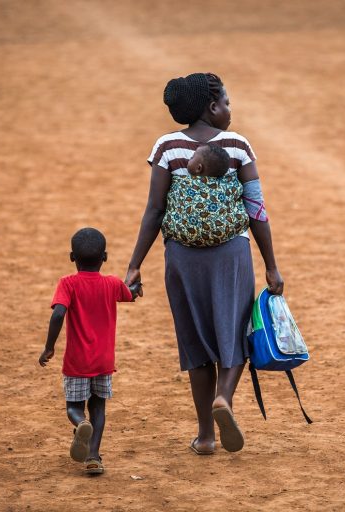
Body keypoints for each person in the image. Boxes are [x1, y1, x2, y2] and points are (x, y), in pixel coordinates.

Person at [125, 72, 283, 455]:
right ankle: (224, 398)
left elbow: (155, 210)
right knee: (236, 334)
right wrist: (271, 265)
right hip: (231, 254)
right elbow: (256, 209)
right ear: (212, 107)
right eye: (226, 102)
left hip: (182, 258)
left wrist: (134, 265)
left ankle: (206, 437)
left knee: (196, 345)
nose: (230, 109)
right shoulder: (238, 145)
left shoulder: (167, 147)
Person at [38, 227, 139, 474]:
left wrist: (49, 347)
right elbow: (130, 294)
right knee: (99, 407)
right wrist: (136, 286)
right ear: (104, 257)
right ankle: (93, 456)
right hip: (103, 361)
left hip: (77, 362)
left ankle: (80, 423)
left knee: (74, 406)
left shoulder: (68, 284)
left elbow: (58, 313)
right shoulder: (112, 284)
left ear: (72, 257)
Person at [162, 142, 250, 248]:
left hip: (183, 237)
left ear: (198, 168)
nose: (189, 158)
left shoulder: (180, 182)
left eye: (192, 157)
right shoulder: (229, 183)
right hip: (225, 236)